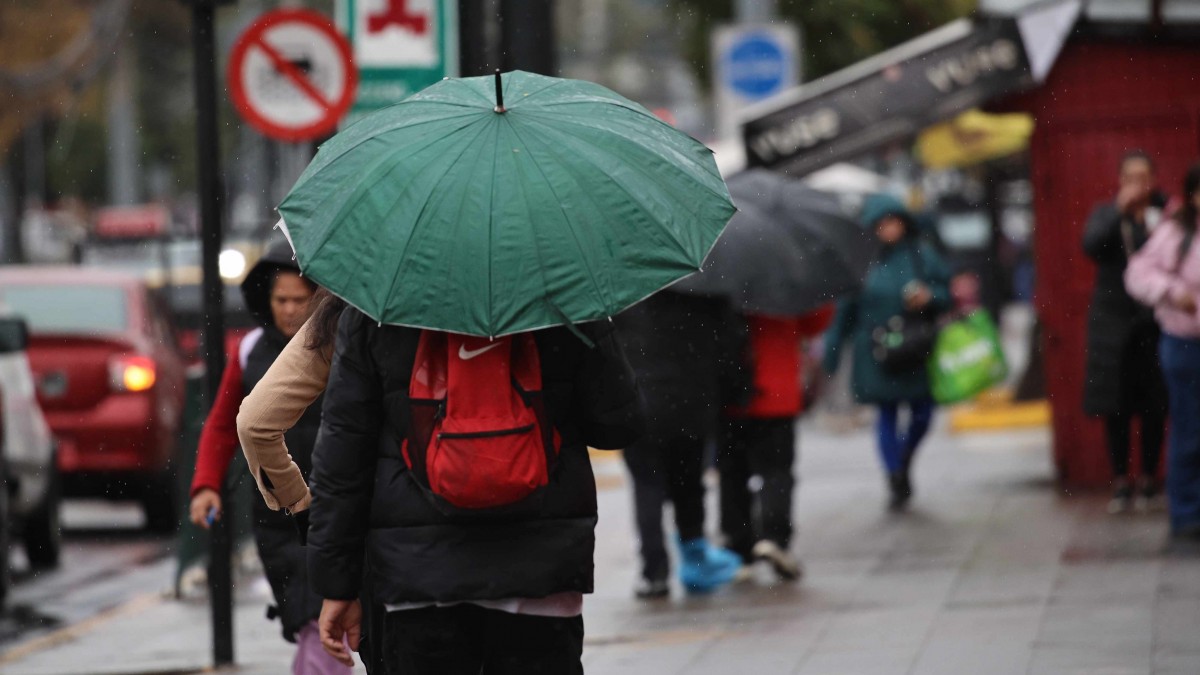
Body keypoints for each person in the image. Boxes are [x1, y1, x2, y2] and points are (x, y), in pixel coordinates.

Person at [307, 311, 643, 673]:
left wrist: (338, 585)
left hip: (422, 575)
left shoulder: (376, 313)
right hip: (538, 570)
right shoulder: (563, 301)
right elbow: (617, 426)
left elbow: (342, 462)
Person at [187, 241, 337, 674]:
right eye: (280, 300)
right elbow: (221, 424)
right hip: (277, 516)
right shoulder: (251, 348)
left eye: (300, 300)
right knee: (305, 618)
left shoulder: (338, 342)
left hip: (331, 506)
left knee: (323, 618)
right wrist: (206, 485)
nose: (290, 310)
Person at [615, 290, 749, 598]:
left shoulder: (621, 296)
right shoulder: (700, 289)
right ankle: (695, 562)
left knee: (646, 488)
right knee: (688, 484)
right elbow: (728, 343)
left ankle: (653, 572)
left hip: (638, 405)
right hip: (690, 403)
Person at [823, 194, 951, 511]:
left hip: (917, 344)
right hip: (876, 350)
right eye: (881, 224)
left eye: (893, 222)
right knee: (887, 413)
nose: (888, 229)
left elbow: (948, 294)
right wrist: (831, 353)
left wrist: (930, 296)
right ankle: (894, 475)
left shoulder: (922, 255)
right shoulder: (861, 262)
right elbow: (844, 312)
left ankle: (905, 458)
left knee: (923, 412)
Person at [718, 305, 833, 580]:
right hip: (776, 395)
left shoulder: (721, 275)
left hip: (731, 393)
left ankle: (739, 546)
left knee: (733, 473)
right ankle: (775, 538)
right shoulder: (785, 277)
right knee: (777, 471)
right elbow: (816, 322)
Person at [1082, 150, 1169, 513]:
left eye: (1143, 176)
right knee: (1115, 405)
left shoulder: (1165, 215)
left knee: (1154, 404)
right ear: (1119, 180)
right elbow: (1091, 246)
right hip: (1114, 322)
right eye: (1130, 177)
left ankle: (1149, 476)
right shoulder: (1106, 214)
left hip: (1156, 321)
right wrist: (1120, 210)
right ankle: (1121, 479)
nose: (1138, 184)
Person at [1125, 162, 1200, 538]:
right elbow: (1139, 273)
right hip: (1185, 342)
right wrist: (1172, 292)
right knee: (1189, 428)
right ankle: (1186, 512)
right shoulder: (1175, 232)